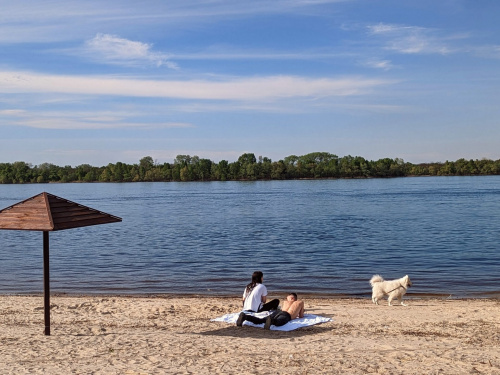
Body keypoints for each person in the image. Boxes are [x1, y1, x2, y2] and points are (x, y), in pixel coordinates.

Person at [237, 292, 305, 329]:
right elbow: (301, 316)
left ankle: (245, 316)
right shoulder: (300, 302)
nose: (287, 300)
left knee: (261, 320)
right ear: (294, 298)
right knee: (279, 322)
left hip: (278, 312)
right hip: (287, 315)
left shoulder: (285, 302)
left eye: (287, 298)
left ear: (291, 298)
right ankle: (271, 320)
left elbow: (282, 309)